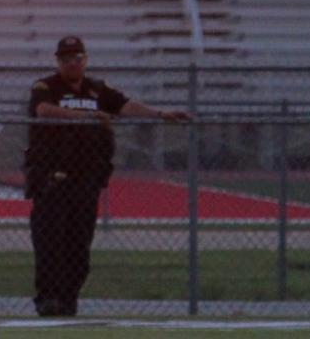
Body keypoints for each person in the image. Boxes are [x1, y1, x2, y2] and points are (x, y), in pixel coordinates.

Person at [23, 36, 188, 316]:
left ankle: (68, 299)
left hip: (86, 177)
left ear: (85, 60)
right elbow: (43, 111)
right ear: (58, 62)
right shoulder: (46, 86)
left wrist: (159, 113)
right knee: (50, 241)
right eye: (65, 59)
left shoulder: (98, 89)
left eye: (77, 58)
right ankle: (48, 299)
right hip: (52, 176)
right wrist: (84, 117)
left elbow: (125, 105)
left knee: (79, 245)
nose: (72, 63)